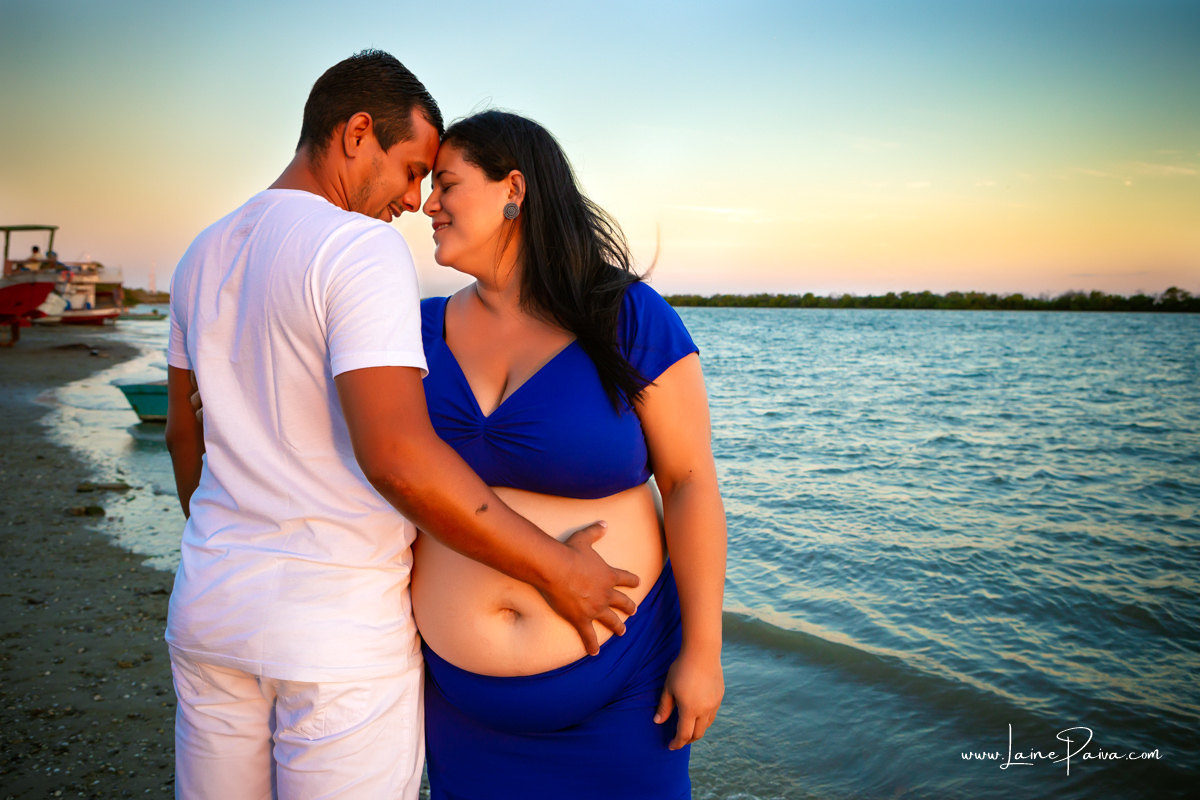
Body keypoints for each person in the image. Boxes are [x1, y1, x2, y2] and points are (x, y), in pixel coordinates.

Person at [164, 52, 638, 800]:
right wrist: (559, 569)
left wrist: (231, 546)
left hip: (209, 610)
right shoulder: (355, 246)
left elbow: (183, 438)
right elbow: (396, 455)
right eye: (414, 168)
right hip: (335, 634)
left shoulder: (201, 253)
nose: (416, 200)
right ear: (357, 133)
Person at [413, 110, 727, 799]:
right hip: (459, 708)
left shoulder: (629, 316)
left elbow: (690, 481)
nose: (425, 204)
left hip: (618, 696)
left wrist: (704, 652)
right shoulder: (419, 331)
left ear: (513, 189)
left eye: (446, 184)